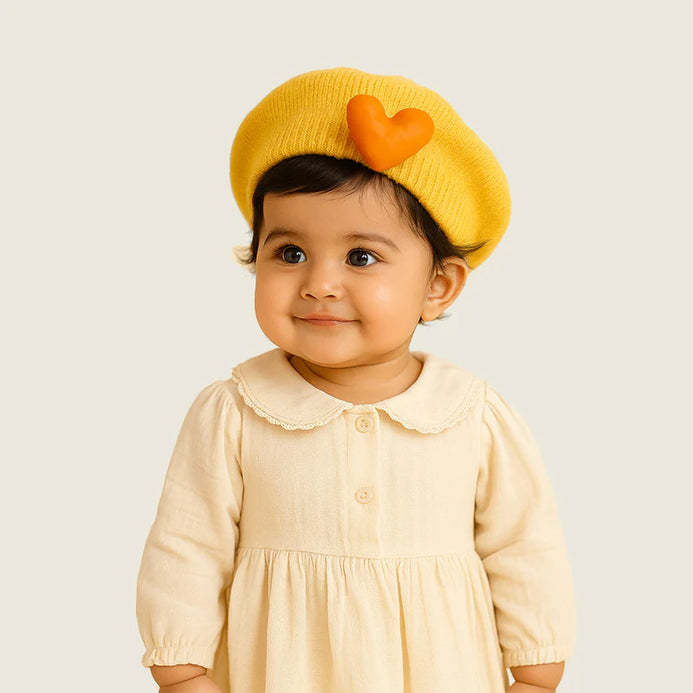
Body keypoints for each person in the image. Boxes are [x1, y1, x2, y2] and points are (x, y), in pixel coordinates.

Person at [135, 66, 577, 693]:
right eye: (289, 253)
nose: (319, 283)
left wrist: (535, 669)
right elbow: (186, 544)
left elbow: (524, 542)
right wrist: (181, 670)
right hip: (279, 672)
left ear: (438, 285)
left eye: (361, 256)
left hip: (443, 672)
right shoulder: (235, 410)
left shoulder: (471, 414)